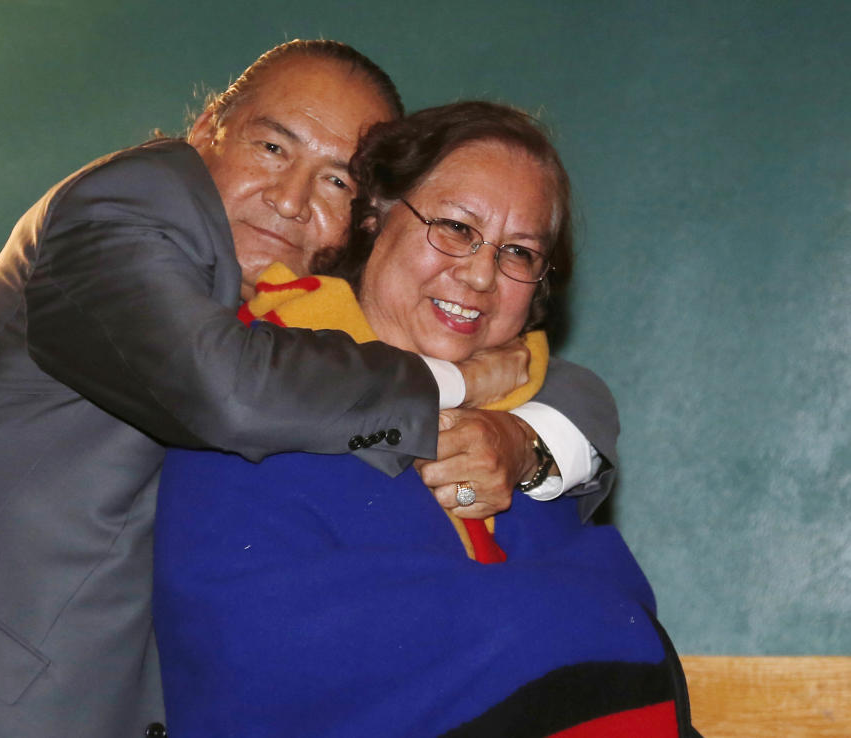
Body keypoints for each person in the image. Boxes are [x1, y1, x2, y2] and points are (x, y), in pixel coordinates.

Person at [0, 41, 617, 738]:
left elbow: (556, 380)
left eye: (336, 179)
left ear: (362, 217)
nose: (292, 199)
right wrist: (456, 384)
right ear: (207, 129)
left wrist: (523, 439)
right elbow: (225, 389)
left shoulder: (300, 320)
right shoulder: (135, 200)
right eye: (272, 148)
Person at [153, 101, 696, 737]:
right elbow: (254, 654)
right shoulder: (258, 383)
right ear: (374, 215)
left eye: (518, 252)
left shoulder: (523, 437)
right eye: (457, 228)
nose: (481, 274)